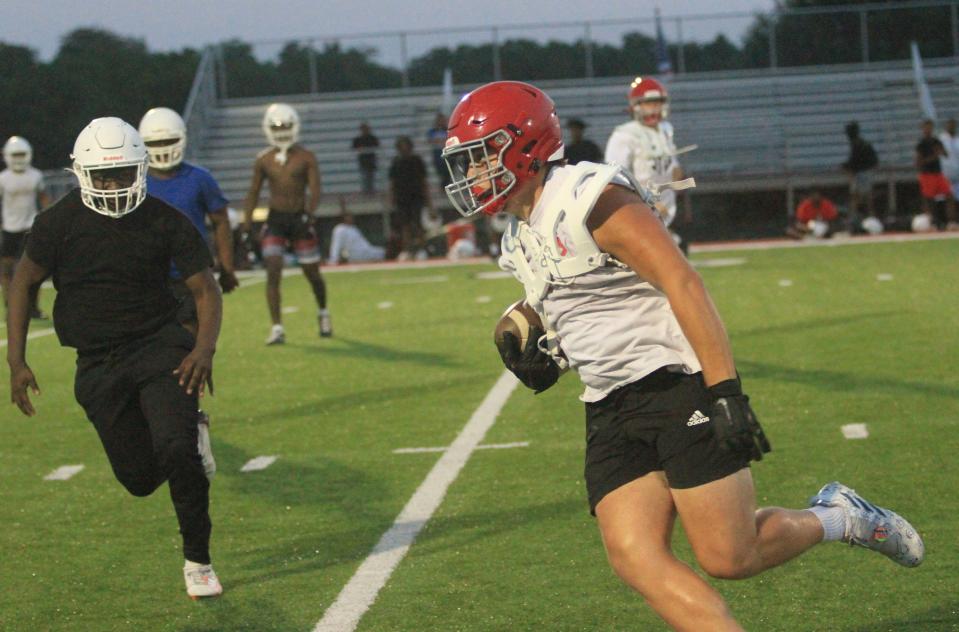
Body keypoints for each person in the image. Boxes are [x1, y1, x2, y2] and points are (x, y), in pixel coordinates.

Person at [442, 81, 925, 631]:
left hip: (673, 385)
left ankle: (842, 518)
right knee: (633, 554)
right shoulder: (518, 234)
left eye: (481, 158)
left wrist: (725, 391)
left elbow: (681, 280)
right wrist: (515, 327)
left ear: (524, 146)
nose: (473, 175)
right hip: (607, 401)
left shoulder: (589, 197)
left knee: (729, 556)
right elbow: (553, 293)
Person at [6, 117, 224, 599]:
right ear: (81, 173)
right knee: (140, 479)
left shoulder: (164, 218)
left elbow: (205, 290)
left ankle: (198, 560)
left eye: (122, 173)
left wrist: (203, 349)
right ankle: (191, 438)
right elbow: (23, 282)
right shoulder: (58, 223)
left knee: (175, 448)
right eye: (103, 175)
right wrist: (16, 361)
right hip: (97, 363)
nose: (112, 184)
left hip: (159, 346)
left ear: (140, 169)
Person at [242, 103, 331, 344]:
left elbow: (315, 190)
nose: (281, 130)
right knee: (273, 270)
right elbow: (253, 192)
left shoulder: (306, 157)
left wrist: (309, 214)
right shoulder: (264, 159)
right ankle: (277, 327)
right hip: (276, 218)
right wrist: (246, 222)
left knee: (311, 272)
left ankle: (323, 312)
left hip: (299, 218)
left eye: (286, 126)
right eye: (277, 126)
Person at [605, 76, 689, 252]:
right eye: (648, 103)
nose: (653, 108)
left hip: (666, 213)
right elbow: (615, 179)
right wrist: (647, 203)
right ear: (636, 106)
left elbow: (671, 170)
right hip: (639, 215)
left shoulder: (665, 130)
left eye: (657, 103)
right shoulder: (624, 135)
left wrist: (678, 175)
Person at [0, 136, 51, 318]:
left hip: (30, 227)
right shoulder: (3, 179)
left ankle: (33, 308)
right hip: (10, 228)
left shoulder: (35, 175)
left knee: (34, 271)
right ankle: (10, 307)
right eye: (16, 154)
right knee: (6, 271)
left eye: (22, 154)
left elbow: (44, 199)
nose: (19, 158)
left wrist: (49, 219)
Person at [388, 136, 433, 260]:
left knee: (418, 225)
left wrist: (429, 202)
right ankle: (407, 250)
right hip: (402, 198)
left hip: (416, 197)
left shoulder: (417, 161)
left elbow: (424, 181)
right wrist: (391, 198)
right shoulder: (396, 162)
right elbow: (392, 183)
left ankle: (423, 249)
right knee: (405, 226)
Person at [915, 119, 957, 229]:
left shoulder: (936, 141)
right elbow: (919, 162)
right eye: (926, 127)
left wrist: (941, 151)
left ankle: (951, 222)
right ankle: (932, 222)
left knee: (949, 196)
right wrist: (934, 156)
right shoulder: (921, 144)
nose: (928, 130)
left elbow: (945, 155)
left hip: (938, 173)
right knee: (930, 200)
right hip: (927, 174)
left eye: (930, 127)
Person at [840, 121, 879, 228]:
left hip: (862, 172)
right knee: (863, 195)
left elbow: (854, 161)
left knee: (860, 196)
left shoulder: (857, 144)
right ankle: (867, 216)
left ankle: (859, 217)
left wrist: (847, 167)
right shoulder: (862, 143)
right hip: (864, 172)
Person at [351, 122, 380, 195]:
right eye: (363, 129)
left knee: (370, 177)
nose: (365, 130)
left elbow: (377, 147)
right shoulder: (357, 139)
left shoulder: (373, 138)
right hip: (363, 160)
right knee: (364, 176)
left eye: (366, 129)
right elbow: (354, 148)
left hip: (371, 160)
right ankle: (365, 192)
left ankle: (371, 191)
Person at [426, 113, 452, 190]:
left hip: (446, 151)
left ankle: (445, 183)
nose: (441, 122)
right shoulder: (432, 131)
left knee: (448, 166)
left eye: (442, 120)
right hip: (437, 152)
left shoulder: (447, 130)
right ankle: (444, 183)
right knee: (440, 167)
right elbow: (430, 140)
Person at [937, 117, 959, 197]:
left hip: (957, 173)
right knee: (945, 197)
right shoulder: (941, 139)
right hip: (945, 172)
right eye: (950, 125)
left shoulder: (957, 140)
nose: (951, 127)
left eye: (953, 126)